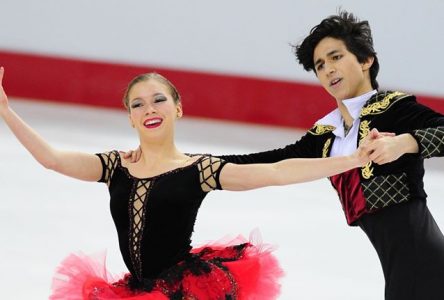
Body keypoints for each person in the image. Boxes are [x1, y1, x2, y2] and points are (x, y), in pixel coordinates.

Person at [124, 10, 444, 300]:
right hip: (400, 264)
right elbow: (273, 161)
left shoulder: (396, 109)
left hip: (423, 262)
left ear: (365, 61)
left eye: (336, 57)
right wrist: (190, 164)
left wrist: (405, 143)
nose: (328, 69)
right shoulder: (326, 135)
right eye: (320, 65)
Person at [0, 67, 372, 299]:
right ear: (130, 118)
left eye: (159, 100)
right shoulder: (116, 166)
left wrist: (351, 160)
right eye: (138, 104)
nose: (149, 109)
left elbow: (275, 172)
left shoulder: (200, 170)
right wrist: (5, 111)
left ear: (177, 108)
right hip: (131, 291)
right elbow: (52, 159)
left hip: (184, 292)